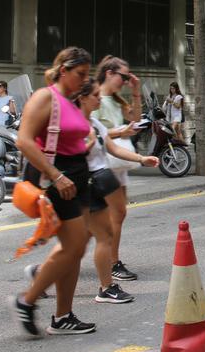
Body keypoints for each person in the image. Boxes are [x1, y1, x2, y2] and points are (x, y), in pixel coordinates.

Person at [27, 78, 161, 305]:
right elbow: (70, 156)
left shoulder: (94, 124)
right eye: (96, 96)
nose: (100, 99)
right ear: (82, 98)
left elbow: (112, 147)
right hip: (84, 186)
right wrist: (86, 145)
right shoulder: (75, 126)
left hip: (97, 183)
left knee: (86, 240)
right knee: (96, 238)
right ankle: (104, 288)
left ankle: (42, 274)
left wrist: (141, 158)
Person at [10, 47, 96, 337]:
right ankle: (27, 300)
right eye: (80, 74)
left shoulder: (71, 101)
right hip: (59, 178)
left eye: (87, 75)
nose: (84, 80)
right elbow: (24, 140)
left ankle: (63, 316)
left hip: (77, 176)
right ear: (63, 70)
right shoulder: (46, 97)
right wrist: (56, 176)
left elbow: (72, 139)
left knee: (76, 248)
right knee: (73, 247)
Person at [95, 55, 142, 283]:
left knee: (106, 217)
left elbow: (136, 117)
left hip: (118, 162)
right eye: (123, 76)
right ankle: (112, 263)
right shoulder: (94, 97)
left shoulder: (116, 99)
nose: (125, 80)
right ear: (109, 73)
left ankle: (46, 270)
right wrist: (119, 133)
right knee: (113, 215)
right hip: (103, 161)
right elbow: (92, 131)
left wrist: (136, 91)